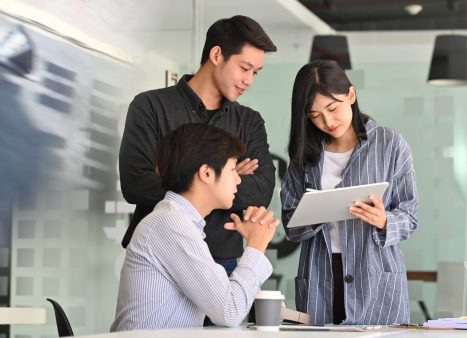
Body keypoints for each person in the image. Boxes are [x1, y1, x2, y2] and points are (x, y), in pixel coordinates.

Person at [118, 15, 277, 275]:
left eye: (255, 73)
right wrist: (226, 181)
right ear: (217, 55)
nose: (249, 80)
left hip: (221, 259)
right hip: (158, 257)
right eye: (244, 68)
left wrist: (173, 175)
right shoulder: (150, 107)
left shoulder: (248, 121)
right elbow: (135, 184)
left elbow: (261, 190)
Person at [281, 60, 419, 325]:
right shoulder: (305, 155)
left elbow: (410, 217)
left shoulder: (391, 145)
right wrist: (313, 214)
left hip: (375, 277)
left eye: (332, 108)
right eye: (314, 115)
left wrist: (384, 221)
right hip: (321, 275)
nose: (327, 121)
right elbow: (290, 224)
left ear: (351, 95)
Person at [111, 123, 279, 331]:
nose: (238, 180)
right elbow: (230, 310)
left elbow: (229, 304)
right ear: (206, 173)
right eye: (233, 170)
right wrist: (256, 244)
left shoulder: (181, 222)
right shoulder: (171, 224)